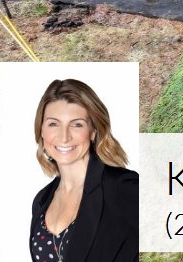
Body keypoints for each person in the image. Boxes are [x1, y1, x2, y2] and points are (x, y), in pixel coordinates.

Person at [30, 79, 138, 261]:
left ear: (93, 131)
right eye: (53, 124)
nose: (64, 137)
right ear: (41, 130)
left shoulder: (124, 188)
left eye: (77, 124)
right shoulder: (42, 200)